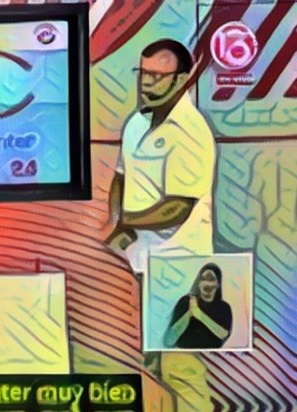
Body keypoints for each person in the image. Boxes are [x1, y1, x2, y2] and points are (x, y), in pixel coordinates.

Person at [105, 39, 216, 275]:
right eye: (143, 73)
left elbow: (177, 208)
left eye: (156, 76)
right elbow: (120, 179)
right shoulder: (136, 123)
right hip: (136, 258)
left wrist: (125, 221)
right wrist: (116, 223)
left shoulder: (191, 130)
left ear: (181, 80)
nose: (145, 82)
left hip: (179, 263)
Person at [164, 263, 233, 349]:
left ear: (218, 284)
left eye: (211, 279)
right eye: (203, 279)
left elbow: (223, 335)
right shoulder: (186, 301)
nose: (207, 283)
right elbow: (169, 341)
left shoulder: (224, 307)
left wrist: (199, 315)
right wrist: (189, 314)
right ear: (198, 283)